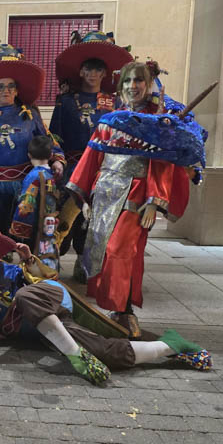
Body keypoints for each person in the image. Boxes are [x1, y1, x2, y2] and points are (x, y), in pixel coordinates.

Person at [0, 212, 212, 386]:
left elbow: (45, 278)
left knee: (24, 295)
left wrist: (29, 260)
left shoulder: (4, 268)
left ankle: (74, 356)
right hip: (46, 326)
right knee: (105, 352)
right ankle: (172, 345)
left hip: (51, 299)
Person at [65, 60, 186, 337]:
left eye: (139, 80)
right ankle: (113, 309)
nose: (133, 86)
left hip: (135, 194)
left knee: (122, 251)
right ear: (121, 87)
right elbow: (93, 156)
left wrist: (154, 200)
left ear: (148, 84)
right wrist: (85, 196)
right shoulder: (111, 119)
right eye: (128, 81)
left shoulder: (157, 121)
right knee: (101, 250)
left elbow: (162, 163)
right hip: (104, 192)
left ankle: (125, 310)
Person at [50, 32, 132, 281]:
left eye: (97, 70)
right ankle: (53, 260)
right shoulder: (65, 101)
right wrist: (57, 161)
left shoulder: (115, 103)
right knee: (64, 217)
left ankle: (84, 264)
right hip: (72, 169)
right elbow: (55, 135)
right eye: (88, 69)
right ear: (81, 72)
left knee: (95, 218)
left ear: (105, 73)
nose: (92, 74)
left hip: (101, 169)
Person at [0, 44, 65, 235]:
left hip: (25, 186)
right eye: (0, 86)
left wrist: (57, 160)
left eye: (11, 86)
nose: (6, 90)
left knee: (22, 234)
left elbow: (47, 140)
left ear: (17, 91)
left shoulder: (30, 116)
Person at [8, 135, 61, 271]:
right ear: (51, 155)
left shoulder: (33, 176)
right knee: (48, 250)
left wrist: (18, 228)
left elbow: (27, 204)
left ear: (29, 155)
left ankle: (32, 277)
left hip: (35, 225)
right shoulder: (51, 175)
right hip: (50, 222)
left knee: (32, 256)